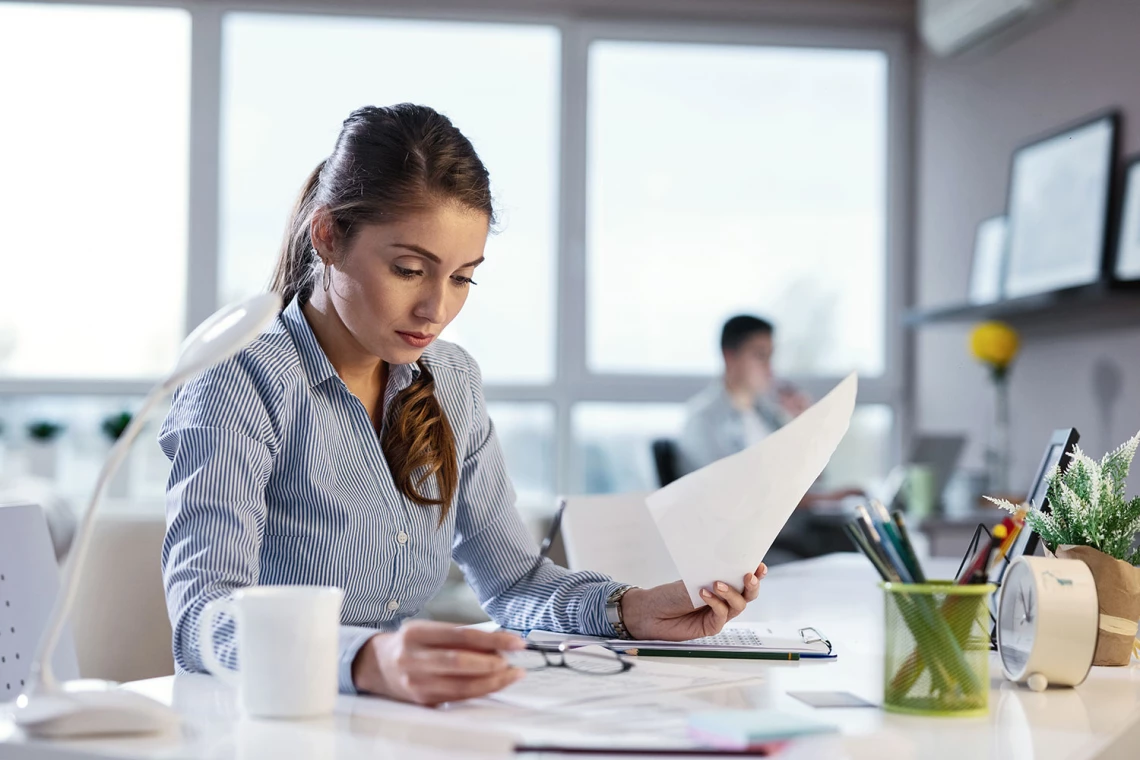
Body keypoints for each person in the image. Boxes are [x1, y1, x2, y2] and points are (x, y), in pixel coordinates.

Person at [159, 104, 767, 708]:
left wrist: (631, 609)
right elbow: (201, 621)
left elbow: (513, 582)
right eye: (408, 269)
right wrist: (367, 660)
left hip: (406, 721)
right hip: (272, 721)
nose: (436, 310)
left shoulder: (450, 380)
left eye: (462, 278)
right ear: (328, 237)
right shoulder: (238, 380)